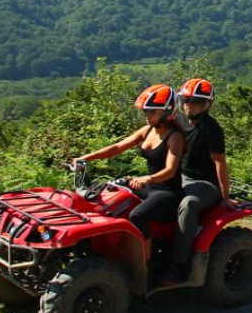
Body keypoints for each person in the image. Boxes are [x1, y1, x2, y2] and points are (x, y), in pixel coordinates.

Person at [74, 84, 184, 242]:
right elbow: (117, 147)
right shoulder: (147, 130)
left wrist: (147, 178)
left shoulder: (175, 137)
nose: (147, 115)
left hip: (167, 191)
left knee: (137, 215)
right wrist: (85, 158)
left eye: (152, 111)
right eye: (145, 111)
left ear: (167, 112)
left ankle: (144, 262)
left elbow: (170, 170)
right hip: (149, 186)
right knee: (106, 196)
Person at [172, 77, 230, 283]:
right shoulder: (178, 121)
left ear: (207, 104)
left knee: (188, 205)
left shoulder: (212, 129)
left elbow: (220, 162)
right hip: (181, 177)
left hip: (205, 184)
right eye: (186, 100)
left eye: (196, 101)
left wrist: (225, 196)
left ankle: (179, 264)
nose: (190, 106)